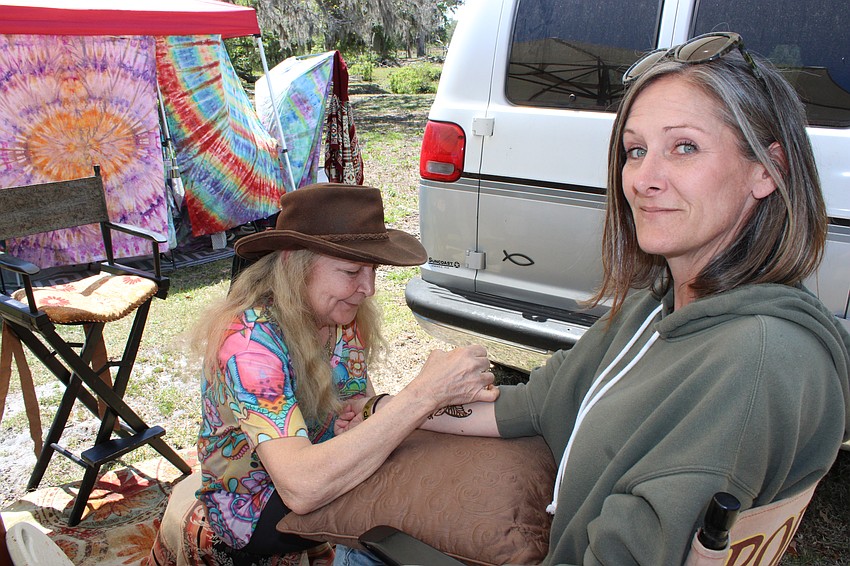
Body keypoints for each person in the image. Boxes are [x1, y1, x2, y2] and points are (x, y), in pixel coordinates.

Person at [343, 33, 850, 564]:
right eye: (636, 150)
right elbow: (535, 404)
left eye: (685, 147)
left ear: (766, 171)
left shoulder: (753, 365)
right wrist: (393, 410)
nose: (643, 179)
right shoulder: (658, 307)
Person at [192, 184, 499, 565]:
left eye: (372, 271)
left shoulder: (337, 319)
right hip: (255, 505)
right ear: (294, 265)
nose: (367, 288)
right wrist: (423, 395)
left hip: (320, 464)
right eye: (352, 271)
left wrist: (368, 414)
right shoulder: (249, 346)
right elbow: (301, 488)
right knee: (406, 516)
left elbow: (361, 406)